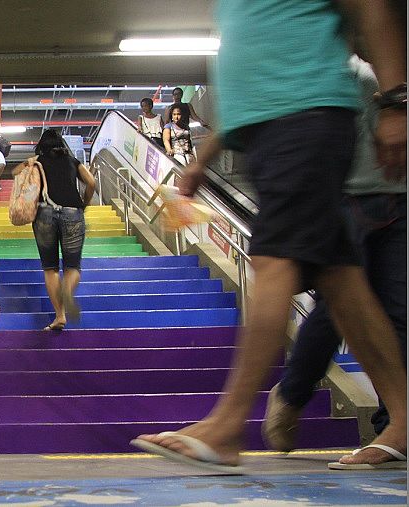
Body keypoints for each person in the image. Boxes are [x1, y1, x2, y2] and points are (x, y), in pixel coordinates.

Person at [132, 0, 406, 472]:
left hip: (305, 113)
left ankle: (229, 424)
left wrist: (396, 100)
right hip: (270, 128)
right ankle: (403, 418)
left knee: (273, 259)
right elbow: (252, 57)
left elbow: (371, 6)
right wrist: (204, 156)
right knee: (340, 279)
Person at [262, 54, 407, 452]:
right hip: (348, 197)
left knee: (398, 315)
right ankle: (292, 393)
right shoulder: (342, 63)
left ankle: (391, 426)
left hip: (402, 198)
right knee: (339, 308)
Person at [20, 129, 96, 331]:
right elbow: (92, 182)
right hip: (73, 211)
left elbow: (15, 173)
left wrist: (30, 162)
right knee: (72, 266)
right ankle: (68, 292)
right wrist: (84, 204)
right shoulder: (72, 161)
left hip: (44, 213)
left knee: (50, 268)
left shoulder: (37, 161)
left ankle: (60, 316)